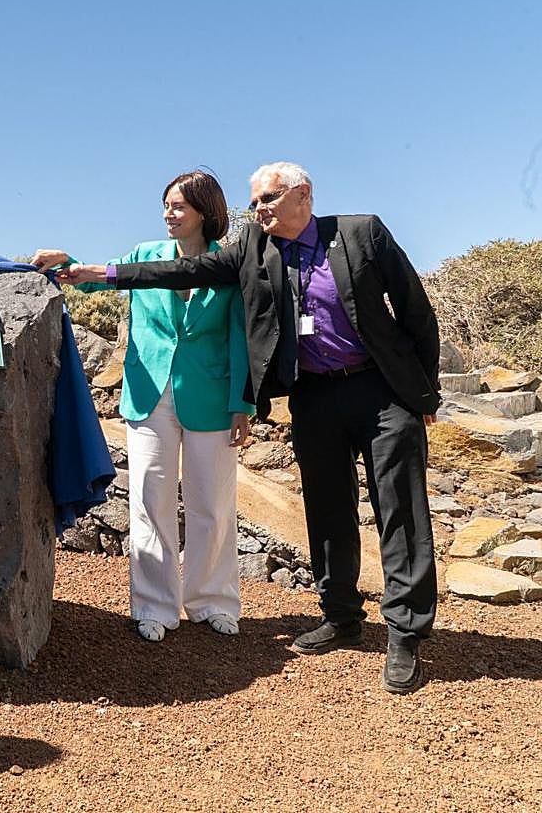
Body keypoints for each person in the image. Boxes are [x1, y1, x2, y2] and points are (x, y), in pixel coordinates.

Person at [46, 162, 439, 694]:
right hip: (314, 393)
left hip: (380, 389)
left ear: (303, 195)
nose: (258, 210)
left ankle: (405, 633)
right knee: (326, 506)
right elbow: (181, 273)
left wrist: (424, 393)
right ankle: (342, 615)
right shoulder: (255, 245)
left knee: (399, 509)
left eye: (269, 199)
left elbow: (414, 309)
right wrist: (95, 273)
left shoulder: (360, 231)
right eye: (254, 202)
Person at [33, 171, 252, 643]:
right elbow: (97, 283)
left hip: (212, 397)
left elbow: (240, 335)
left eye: (179, 207)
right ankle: (154, 605)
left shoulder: (229, 263)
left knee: (212, 503)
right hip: (148, 392)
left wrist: (242, 404)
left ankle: (213, 600)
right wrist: (67, 262)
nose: (168, 214)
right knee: (150, 501)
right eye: (166, 205)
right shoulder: (144, 255)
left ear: (204, 212)